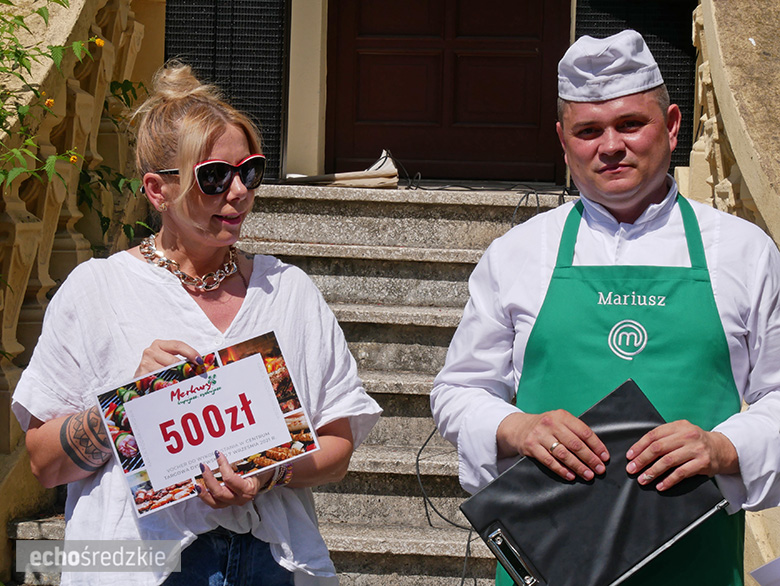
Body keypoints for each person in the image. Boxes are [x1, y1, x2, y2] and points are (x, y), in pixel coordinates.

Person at [431, 29, 780, 586]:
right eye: (588, 131)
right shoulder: (520, 251)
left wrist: (722, 447)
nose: (610, 146)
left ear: (671, 124)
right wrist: (516, 427)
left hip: (696, 562)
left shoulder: (743, 250)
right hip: (550, 555)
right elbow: (456, 391)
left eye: (629, 125)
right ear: (562, 140)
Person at [12, 61, 382, 586]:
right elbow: (44, 464)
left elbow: (337, 445)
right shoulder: (97, 291)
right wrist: (124, 403)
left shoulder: (288, 292)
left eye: (249, 171)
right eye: (213, 177)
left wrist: (269, 471)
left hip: (271, 559)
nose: (238, 192)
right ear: (157, 191)